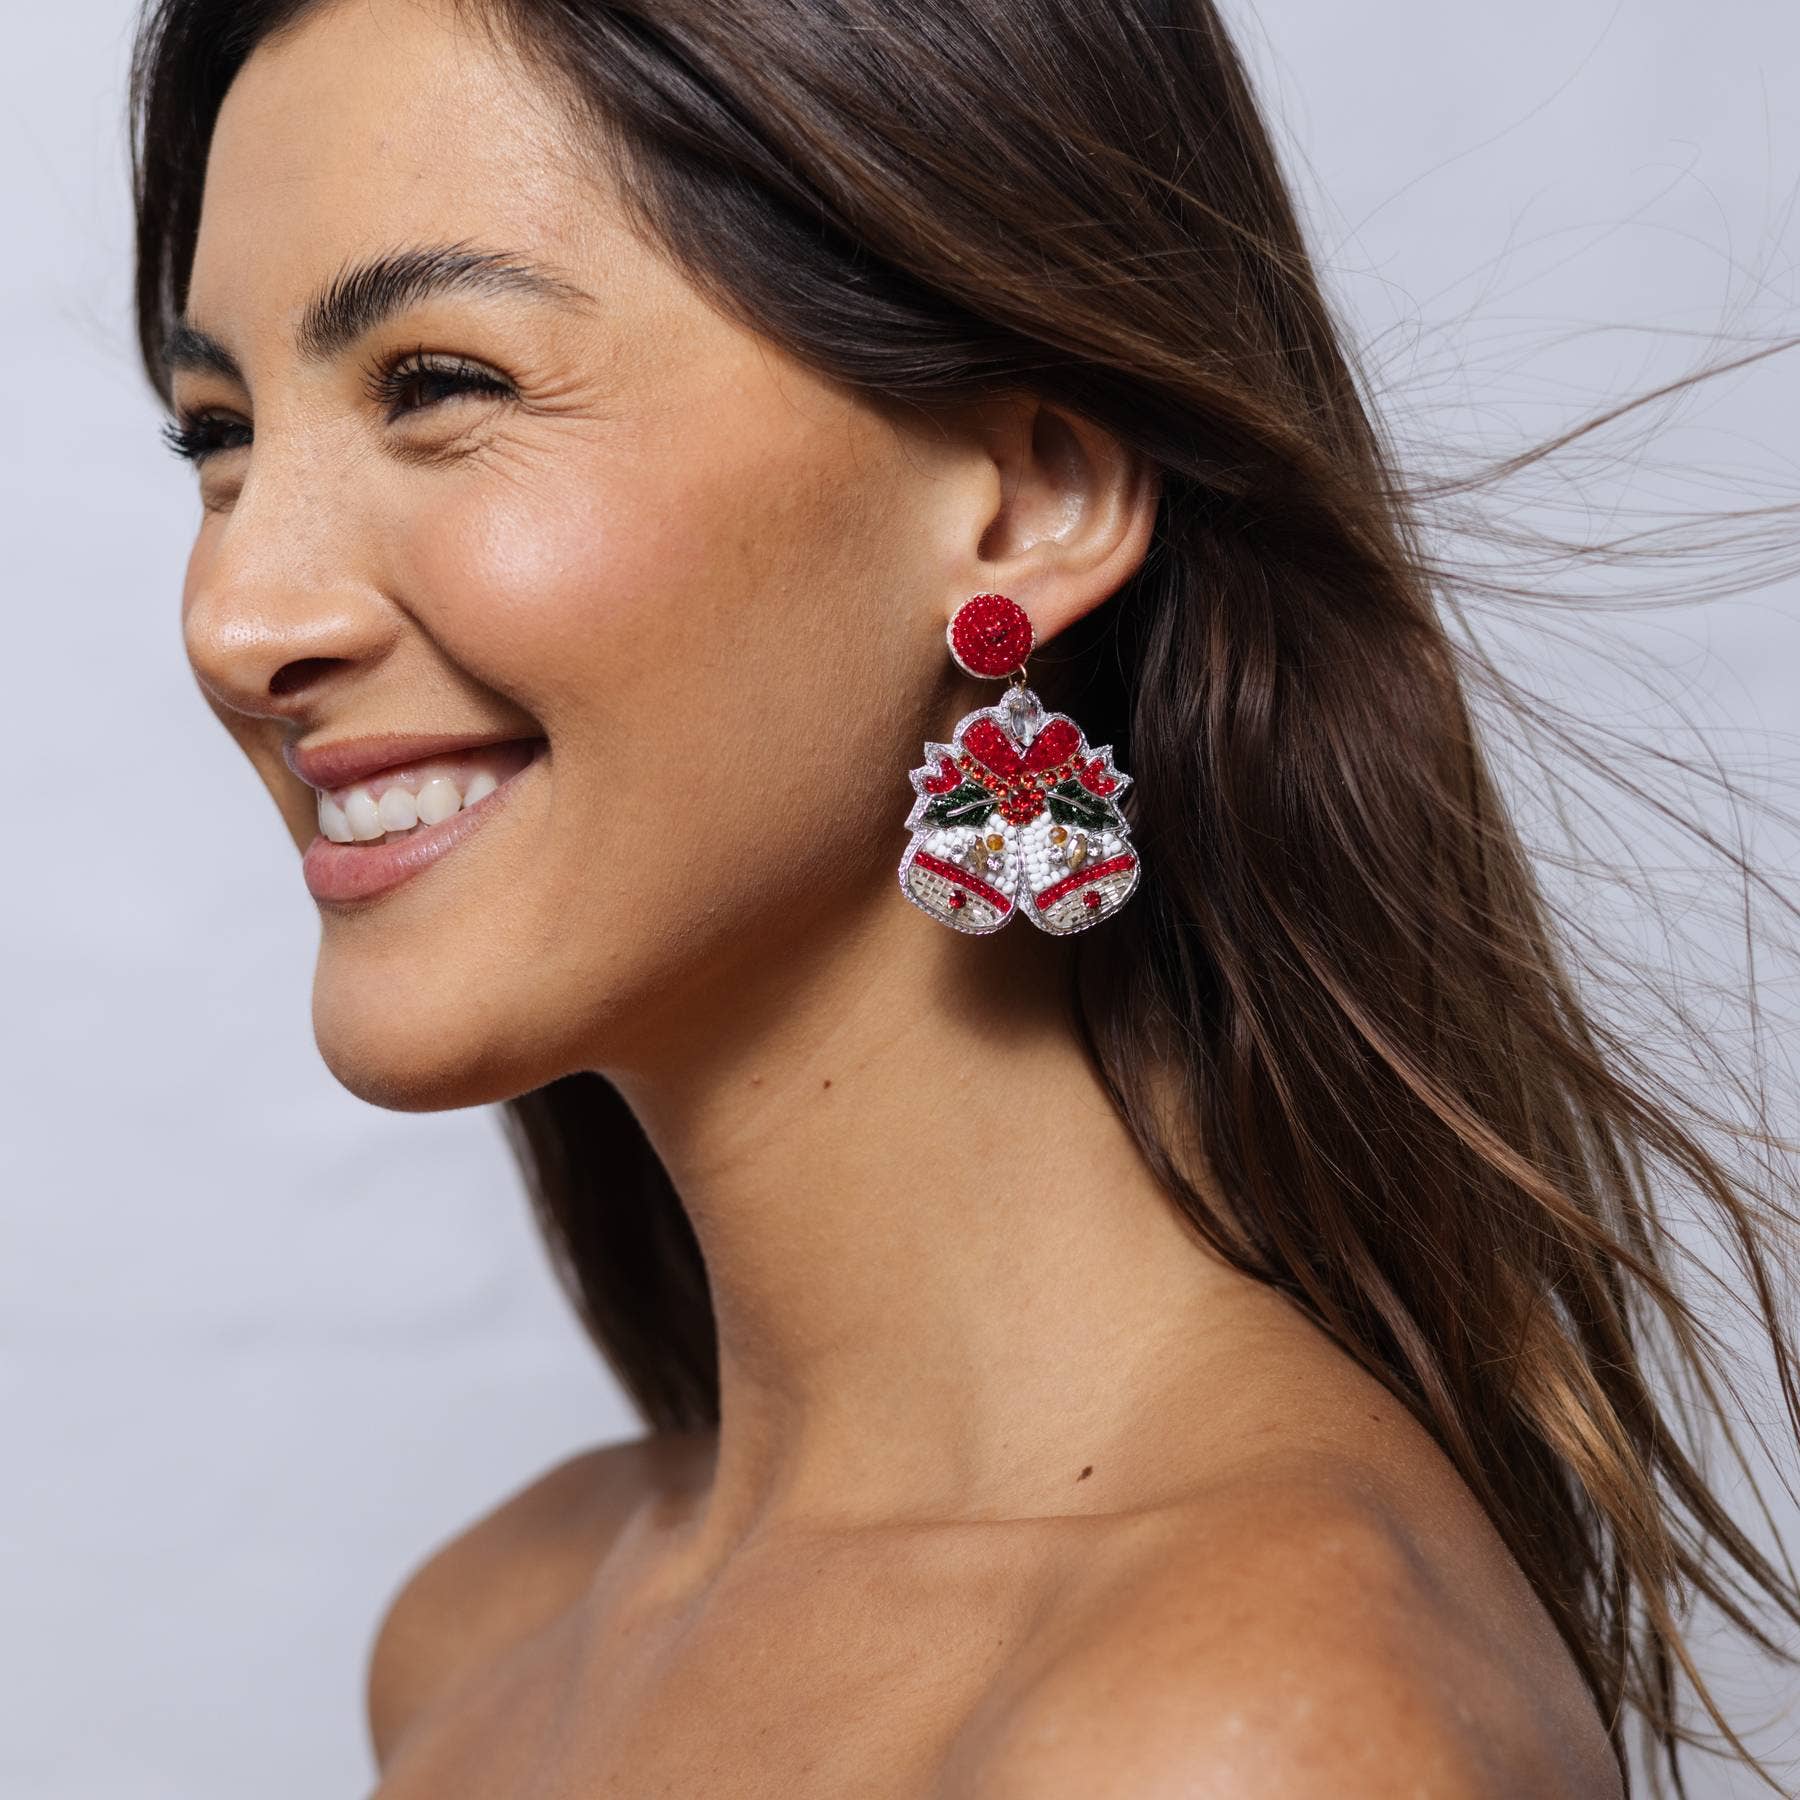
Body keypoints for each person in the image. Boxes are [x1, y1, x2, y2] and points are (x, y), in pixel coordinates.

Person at [126, 0, 1799, 1792]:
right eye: (219, 434)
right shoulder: (489, 1641)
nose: (236, 617)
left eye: (442, 386)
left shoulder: (1230, 1732)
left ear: (1027, 500)